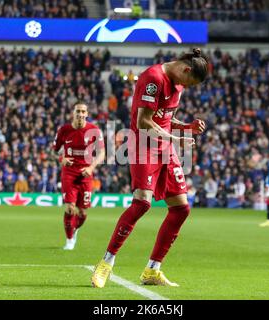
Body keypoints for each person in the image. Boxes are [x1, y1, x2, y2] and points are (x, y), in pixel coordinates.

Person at [91, 48, 209, 288]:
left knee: (181, 209)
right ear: (185, 69)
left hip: (165, 148)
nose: (188, 86)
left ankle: (152, 270)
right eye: (190, 82)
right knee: (142, 203)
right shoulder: (153, 78)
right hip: (142, 145)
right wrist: (176, 139)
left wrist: (186, 128)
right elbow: (143, 121)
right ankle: (106, 263)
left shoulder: (178, 85)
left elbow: (165, 118)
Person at [53, 103, 105, 250]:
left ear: (87, 114)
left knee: (82, 213)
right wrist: (61, 159)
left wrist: (91, 167)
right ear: (73, 113)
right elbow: (54, 150)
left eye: (83, 111)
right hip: (68, 173)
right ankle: (69, 240)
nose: (80, 114)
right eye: (78, 111)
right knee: (70, 208)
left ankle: (75, 229)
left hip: (86, 175)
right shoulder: (64, 130)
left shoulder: (94, 130)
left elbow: (102, 153)